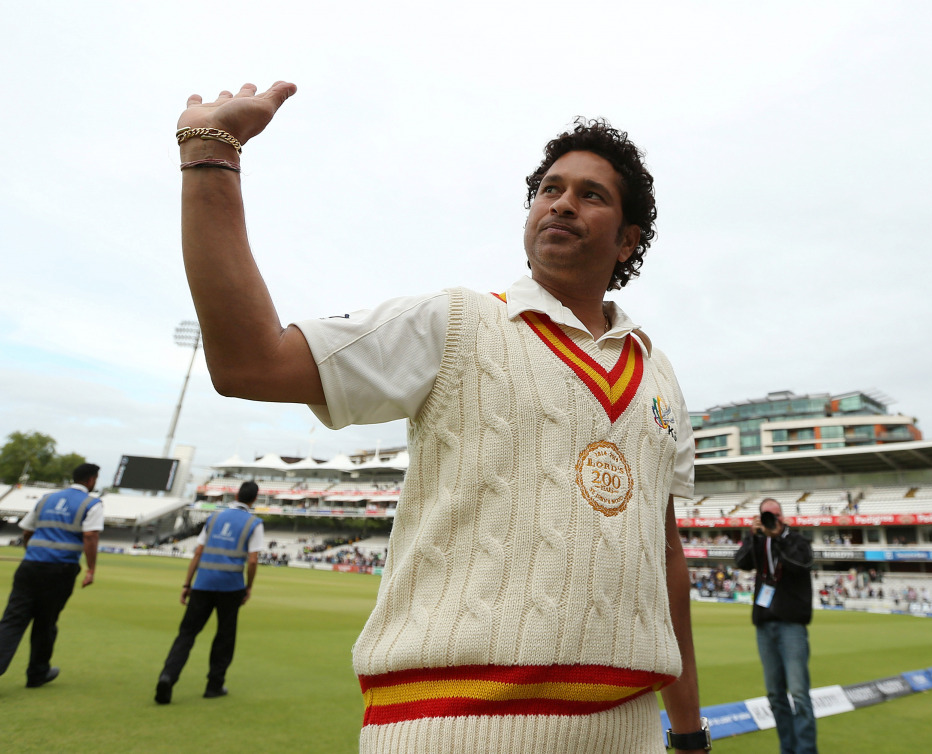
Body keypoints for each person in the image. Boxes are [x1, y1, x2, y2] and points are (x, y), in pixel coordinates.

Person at [175, 82, 707, 753]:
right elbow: (249, 362)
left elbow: (664, 560)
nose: (562, 202)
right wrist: (209, 160)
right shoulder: (455, 322)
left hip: (629, 735)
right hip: (449, 727)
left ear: (628, 241)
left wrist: (687, 733)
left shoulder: (659, 376)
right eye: (549, 189)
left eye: (590, 194)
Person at [0, 463, 103, 700]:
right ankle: (37, 674)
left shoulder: (46, 499)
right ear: (92, 480)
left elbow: (27, 530)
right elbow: (91, 535)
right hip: (60, 569)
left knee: (11, 622)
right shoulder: (91, 503)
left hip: (30, 566)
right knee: (46, 622)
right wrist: (91, 568)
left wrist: (30, 552)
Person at [155, 481, 264, 703]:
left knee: (186, 634)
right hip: (231, 586)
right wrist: (249, 586)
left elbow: (198, 552)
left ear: (235, 494)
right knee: (224, 637)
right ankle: (214, 686)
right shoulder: (254, 523)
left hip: (202, 583)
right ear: (254, 499)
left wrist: (187, 584)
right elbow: (252, 561)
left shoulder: (214, 518)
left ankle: (168, 676)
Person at [734, 498, 816, 754]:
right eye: (766, 515)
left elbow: (801, 564)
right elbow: (741, 562)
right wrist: (753, 536)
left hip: (792, 625)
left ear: (783, 516)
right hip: (765, 625)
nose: (772, 519)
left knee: (799, 694)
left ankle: (806, 751)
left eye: (775, 514)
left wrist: (779, 536)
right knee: (775, 696)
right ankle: (787, 750)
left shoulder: (797, 540)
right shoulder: (758, 540)